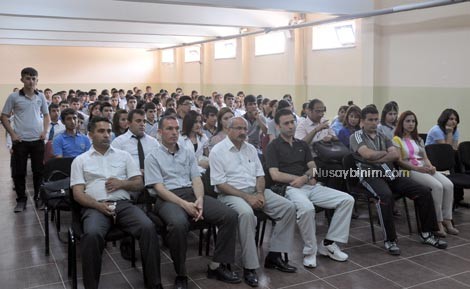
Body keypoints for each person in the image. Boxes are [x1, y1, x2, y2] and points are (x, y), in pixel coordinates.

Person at [145, 116, 241, 289]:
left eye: (176, 128)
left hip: (191, 193)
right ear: (159, 132)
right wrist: (184, 205)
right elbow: (159, 188)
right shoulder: (152, 157)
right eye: (169, 129)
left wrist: (200, 200)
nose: (174, 132)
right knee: (178, 223)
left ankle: (217, 265)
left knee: (230, 215)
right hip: (167, 198)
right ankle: (181, 273)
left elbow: (196, 179)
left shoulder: (187, 152)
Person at [70, 117, 162, 289]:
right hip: (95, 207)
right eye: (101, 131)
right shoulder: (80, 160)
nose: (106, 135)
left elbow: (139, 183)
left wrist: (122, 183)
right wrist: (98, 206)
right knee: (91, 235)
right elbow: (77, 194)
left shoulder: (124, 156)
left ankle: (154, 283)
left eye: (108, 131)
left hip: (123, 205)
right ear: (90, 134)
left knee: (148, 228)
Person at [210, 116, 297, 287]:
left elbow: (260, 175)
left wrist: (259, 194)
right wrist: (247, 198)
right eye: (238, 128)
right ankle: (250, 267)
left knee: (288, 207)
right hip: (231, 195)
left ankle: (274, 256)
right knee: (247, 213)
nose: (243, 132)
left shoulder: (250, 149)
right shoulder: (217, 151)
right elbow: (220, 184)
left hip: (256, 191)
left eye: (245, 129)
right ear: (228, 130)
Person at [350, 105, 447, 255]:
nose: (374, 123)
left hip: (389, 173)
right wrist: (380, 155)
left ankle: (427, 233)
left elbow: (395, 155)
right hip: (369, 175)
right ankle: (390, 240)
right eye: (370, 120)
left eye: (376, 119)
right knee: (385, 196)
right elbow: (367, 154)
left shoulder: (382, 135)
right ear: (362, 121)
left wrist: (376, 157)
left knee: (424, 191)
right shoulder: (356, 136)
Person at [266, 109, 354, 268]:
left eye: (292, 122)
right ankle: (310, 251)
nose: (291, 126)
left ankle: (329, 244)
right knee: (306, 209)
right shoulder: (273, 146)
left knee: (346, 200)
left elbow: (314, 168)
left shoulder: (302, 145)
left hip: (309, 185)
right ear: (278, 126)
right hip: (289, 189)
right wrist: (298, 179)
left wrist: (305, 178)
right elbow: (275, 175)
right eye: (286, 123)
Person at [393, 111, 458, 237]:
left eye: (413, 121)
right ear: (402, 123)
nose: (411, 124)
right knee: (437, 187)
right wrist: (417, 169)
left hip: (423, 168)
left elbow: (425, 157)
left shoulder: (418, 139)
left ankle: (447, 219)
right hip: (409, 171)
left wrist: (430, 166)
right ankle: (437, 222)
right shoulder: (396, 139)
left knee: (448, 185)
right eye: (407, 121)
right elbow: (399, 161)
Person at [1, 67, 50, 212]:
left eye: (34, 78)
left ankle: (38, 198)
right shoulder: (14, 97)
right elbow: (4, 116)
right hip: (20, 141)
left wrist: (45, 131)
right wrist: (12, 134)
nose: (31, 81)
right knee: (19, 172)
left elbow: (46, 115)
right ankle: (21, 200)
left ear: (37, 80)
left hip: (37, 140)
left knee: (38, 171)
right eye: (28, 78)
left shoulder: (40, 96)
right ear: (22, 79)